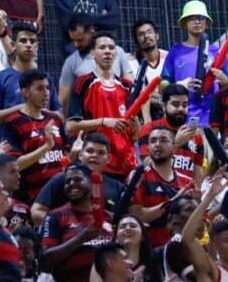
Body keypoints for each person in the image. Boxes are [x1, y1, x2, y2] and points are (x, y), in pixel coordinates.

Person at [41, 163, 114, 282]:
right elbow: (44, 262)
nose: (71, 184)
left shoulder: (109, 217)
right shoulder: (54, 216)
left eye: (78, 180)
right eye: (67, 182)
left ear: (91, 183)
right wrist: (82, 238)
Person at [66, 31, 140, 180]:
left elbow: (134, 135)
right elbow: (71, 126)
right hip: (96, 163)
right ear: (92, 53)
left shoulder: (127, 86)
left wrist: (136, 128)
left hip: (125, 164)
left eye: (111, 48)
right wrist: (104, 121)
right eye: (102, 47)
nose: (107, 51)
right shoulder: (84, 82)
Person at [30, 131, 124, 226]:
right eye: (89, 151)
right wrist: (67, 227)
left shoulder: (117, 187)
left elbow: (122, 221)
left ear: (109, 159)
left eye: (101, 153)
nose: (94, 155)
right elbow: (36, 212)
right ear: (80, 155)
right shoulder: (62, 178)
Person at [2, 69, 67, 203]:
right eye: (39, 88)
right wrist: (46, 147)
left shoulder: (55, 119)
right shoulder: (13, 122)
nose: (46, 93)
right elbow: (14, 165)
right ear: (25, 92)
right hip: (33, 198)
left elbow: (66, 154)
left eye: (47, 88)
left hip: (61, 194)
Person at [160, 0, 226, 126]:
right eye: (192, 18)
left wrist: (225, 81)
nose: (197, 21)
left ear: (207, 23)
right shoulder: (176, 51)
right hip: (182, 117)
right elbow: (162, 86)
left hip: (213, 118)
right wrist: (179, 85)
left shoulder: (216, 52)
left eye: (201, 18)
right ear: (185, 23)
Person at [57, 14, 134, 117]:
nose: (76, 44)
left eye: (80, 40)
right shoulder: (71, 62)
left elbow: (131, 88)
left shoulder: (117, 52)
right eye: (73, 40)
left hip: (118, 115)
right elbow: (63, 99)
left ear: (91, 32)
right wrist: (65, 123)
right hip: (90, 120)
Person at [0, 22, 62, 125]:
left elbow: (59, 113)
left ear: (37, 46)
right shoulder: (0, 78)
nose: (28, 45)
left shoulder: (46, 78)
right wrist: (21, 108)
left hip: (43, 134)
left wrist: (48, 115)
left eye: (32, 41)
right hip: (11, 134)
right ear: (13, 45)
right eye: (23, 41)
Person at [130, 125, 193, 248]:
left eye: (163, 140)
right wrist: (174, 201)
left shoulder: (187, 182)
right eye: (153, 141)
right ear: (148, 149)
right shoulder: (139, 176)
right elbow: (137, 216)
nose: (157, 144)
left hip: (180, 249)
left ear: (174, 148)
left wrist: (206, 198)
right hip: (149, 250)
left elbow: (198, 228)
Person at [137, 83, 205, 184]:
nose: (181, 109)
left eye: (185, 105)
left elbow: (197, 175)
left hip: (185, 191)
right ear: (164, 106)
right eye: (175, 104)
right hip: (158, 189)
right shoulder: (150, 129)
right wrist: (176, 143)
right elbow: (147, 165)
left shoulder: (196, 136)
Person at [54, 0, 120, 55]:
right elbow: (67, 24)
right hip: (75, 51)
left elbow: (114, 21)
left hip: (102, 50)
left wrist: (79, 18)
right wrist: (101, 17)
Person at [128, 19, 169, 122]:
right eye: (141, 34)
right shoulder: (128, 62)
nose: (146, 36)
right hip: (140, 116)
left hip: (167, 112)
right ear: (136, 41)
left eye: (149, 32)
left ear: (157, 36)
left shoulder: (169, 58)